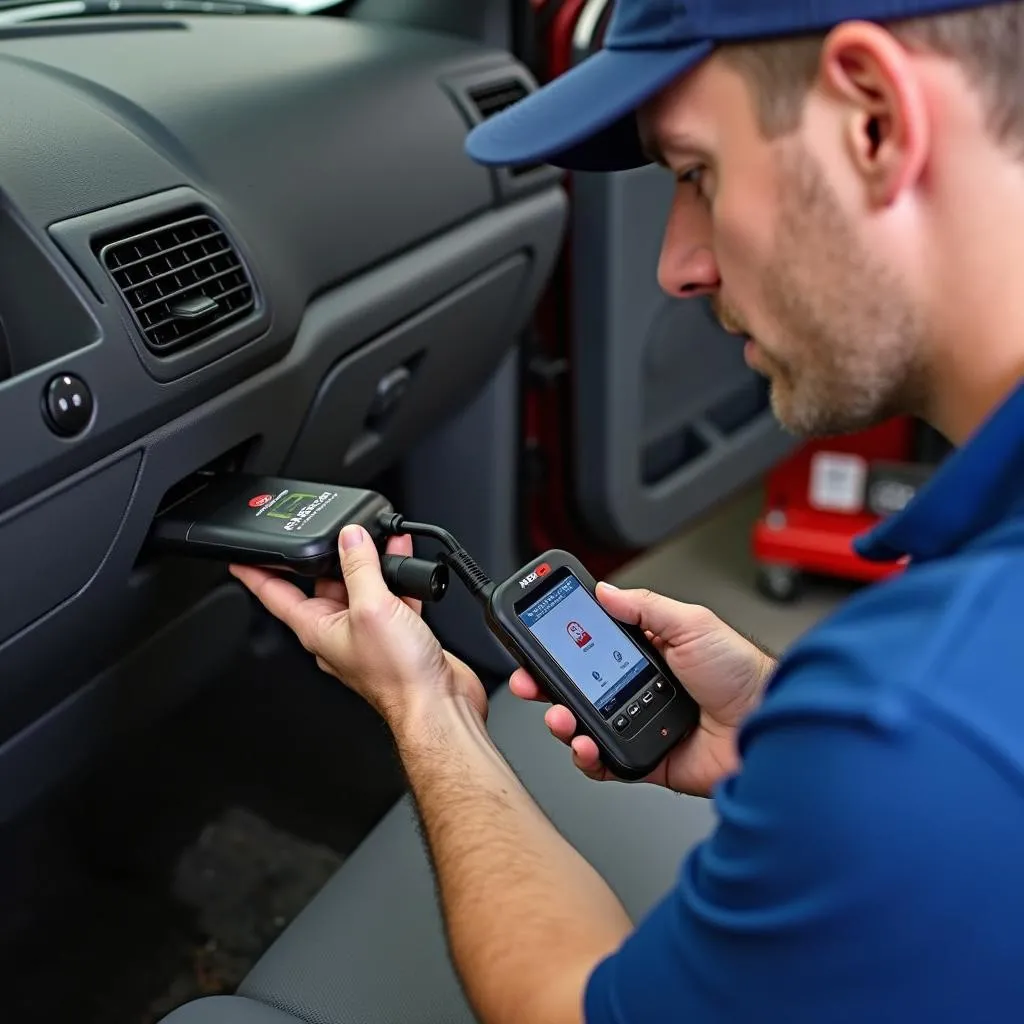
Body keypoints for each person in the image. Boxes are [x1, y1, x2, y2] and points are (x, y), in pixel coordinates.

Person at [230, 0, 1024, 1019]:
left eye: (696, 172)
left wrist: (430, 712)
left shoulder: (923, 721)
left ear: (871, 118)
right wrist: (785, 728)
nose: (676, 266)